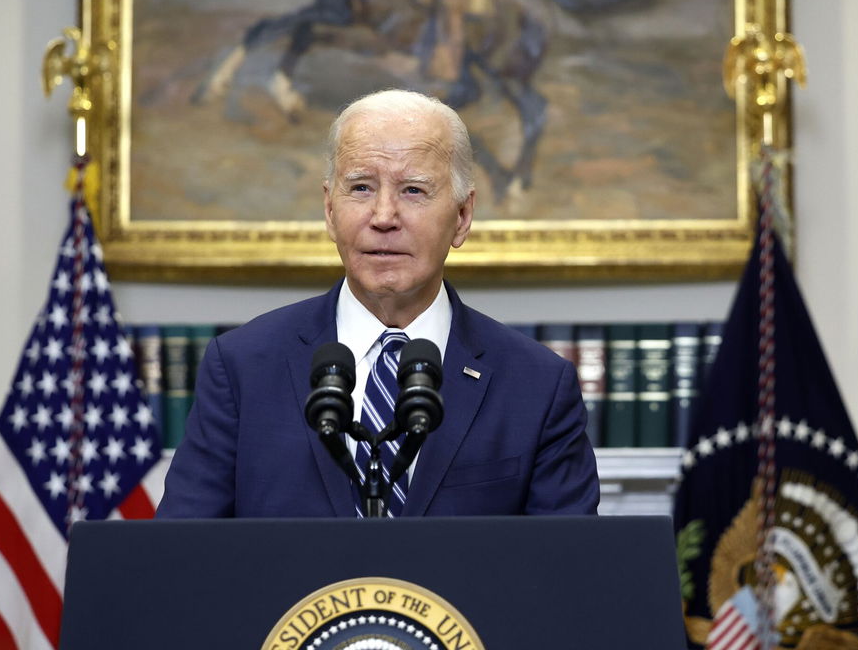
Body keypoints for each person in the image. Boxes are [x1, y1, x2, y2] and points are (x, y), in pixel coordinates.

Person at [157, 89, 598, 518]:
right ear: (330, 211)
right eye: (362, 188)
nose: (384, 217)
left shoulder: (537, 385)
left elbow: (565, 573)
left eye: (413, 191)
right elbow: (181, 559)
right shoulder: (242, 366)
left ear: (462, 217)